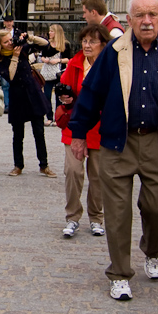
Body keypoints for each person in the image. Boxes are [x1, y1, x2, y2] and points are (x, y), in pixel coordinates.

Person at [69, 0, 158, 301]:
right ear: (129, 20)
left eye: (152, 15)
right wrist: (78, 133)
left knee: (157, 206)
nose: (146, 21)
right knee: (117, 212)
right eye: (140, 15)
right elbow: (91, 93)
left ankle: (153, 250)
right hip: (119, 141)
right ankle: (119, 273)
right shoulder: (114, 52)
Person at [55, 24, 111, 238]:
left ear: (102, 44)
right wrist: (66, 99)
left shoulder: (109, 65)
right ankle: (72, 217)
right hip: (76, 126)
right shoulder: (75, 64)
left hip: (99, 128)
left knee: (97, 175)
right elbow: (65, 89)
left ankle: (96, 217)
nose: (87, 45)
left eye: (92, 41)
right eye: (85, 41)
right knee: (73, 171)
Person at [0, 28, 57, 178]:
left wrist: (30, 37)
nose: (10, 43)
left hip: (33, 93)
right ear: (0, 45)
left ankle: (44, 165)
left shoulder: (22, 48)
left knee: (39, 132)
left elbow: (45, 44)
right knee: (18, 134)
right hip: (17, 97)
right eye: (6, 42)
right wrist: (15, 57)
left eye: (11, 39)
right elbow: (10, 76)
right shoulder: (0, 59)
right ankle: (18, 165)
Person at [39, 24, 71, 125]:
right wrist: (46, 60)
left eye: (52, 31)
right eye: (50, 31)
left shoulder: (65, 45)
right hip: (48, 72)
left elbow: (68, 59)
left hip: (59, 73)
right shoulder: (47, 44)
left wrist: (58, 60)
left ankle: (58, 117)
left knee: (59, 96)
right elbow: (42, 56)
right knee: (46, 95)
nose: (50, 33)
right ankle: (49, 116)